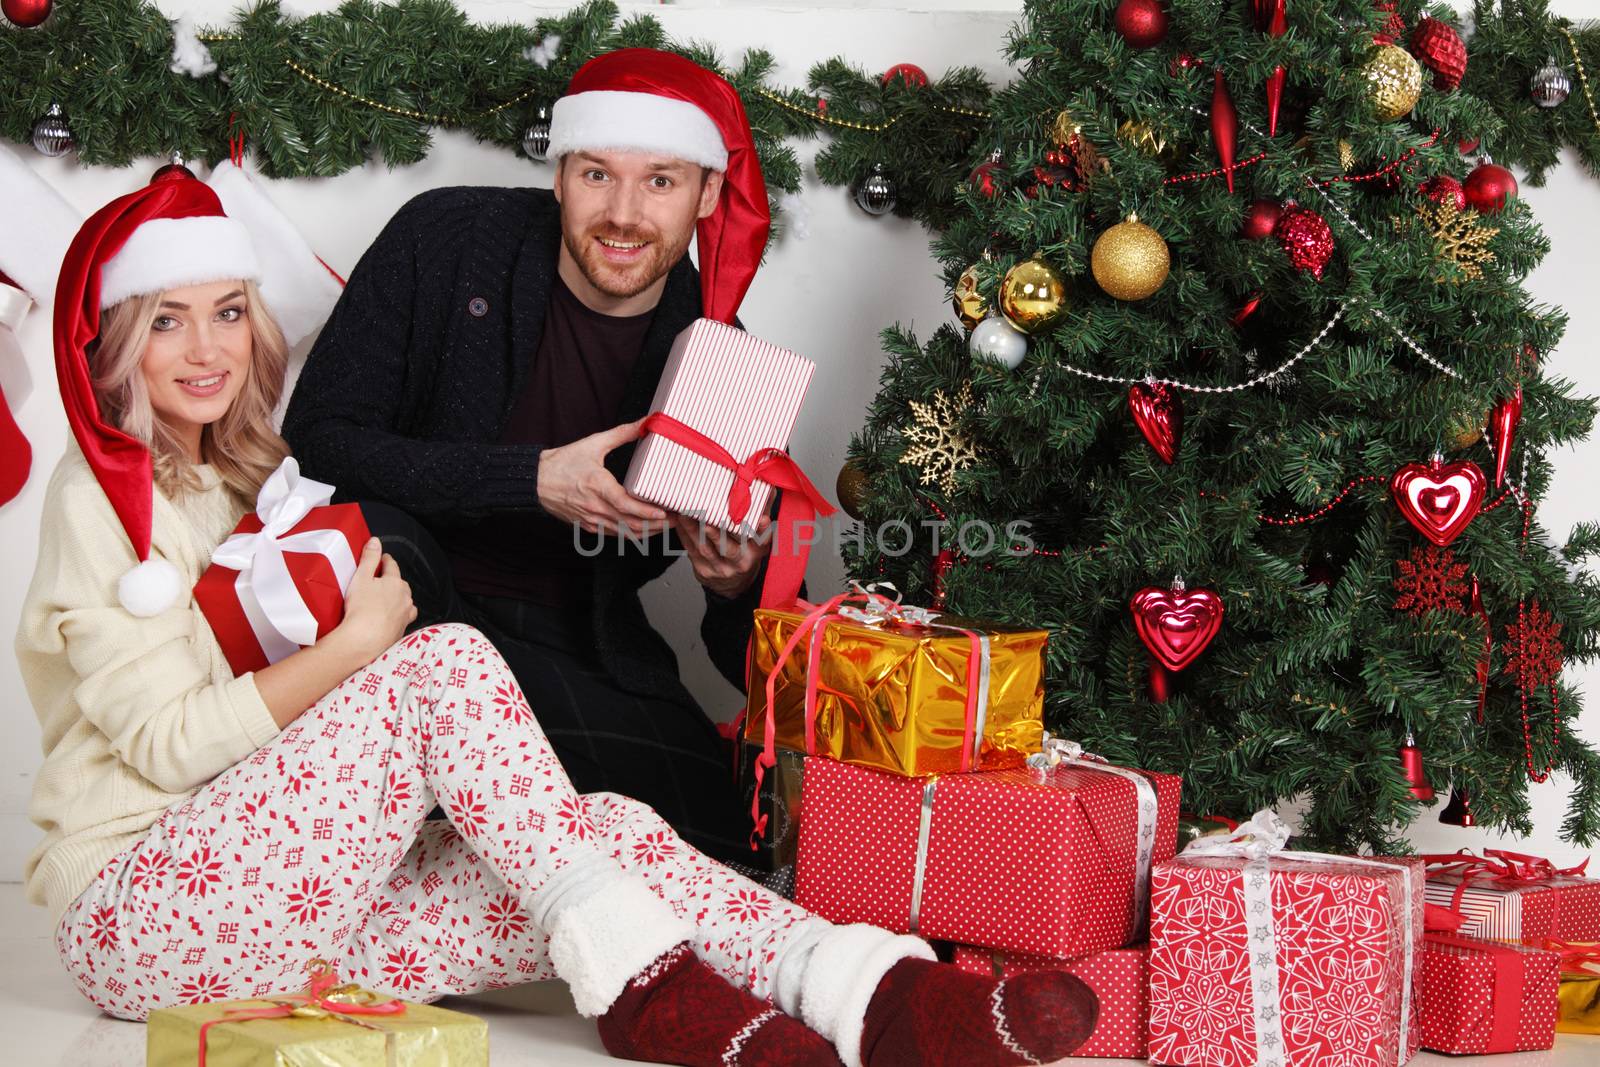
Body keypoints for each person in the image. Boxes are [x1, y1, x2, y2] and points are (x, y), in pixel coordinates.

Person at [19, 173, 1100, 1067]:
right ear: (117, 340)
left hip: (284, 901)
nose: (206, 346)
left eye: (226, 310)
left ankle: (878, 994)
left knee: (613, 829)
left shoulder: (241, 471)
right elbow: (167, 743)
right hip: (142, 918)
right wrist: (357, 646)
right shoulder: (96, 499)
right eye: (167, 318)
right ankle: (641, 982)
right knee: (439, 658)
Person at [280, 49, 798, 864]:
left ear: (705, 194)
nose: (623, 213)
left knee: (719, 843)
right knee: (377, 529)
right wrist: (528, 477)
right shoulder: (447, 238)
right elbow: (318, 435)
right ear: (559, 174)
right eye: (597, 174)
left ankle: (474, 827)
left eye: (660, 181)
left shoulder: (726, 366)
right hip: (411, 604)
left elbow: (754, 655)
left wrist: (735, 582)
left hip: (575, 639)